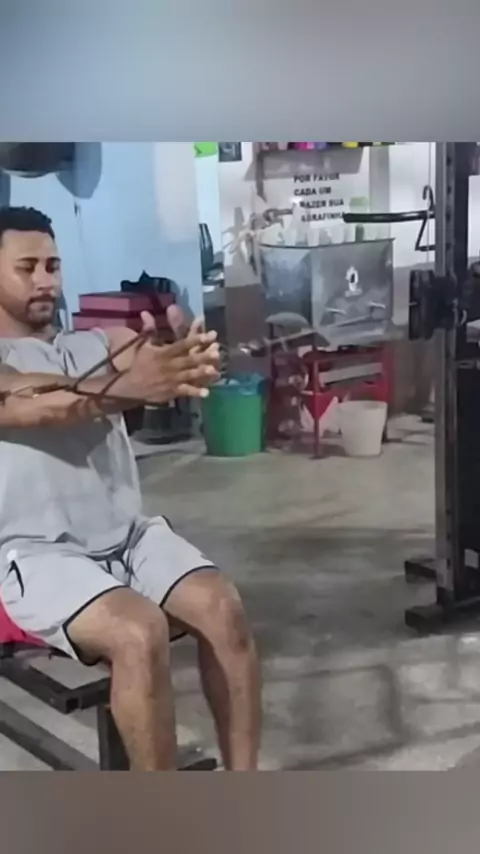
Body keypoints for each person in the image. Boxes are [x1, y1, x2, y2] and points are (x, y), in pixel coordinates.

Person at [0, 206, 261, 771]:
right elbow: (34, 404)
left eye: (52, 265)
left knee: (223, 608)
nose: (45, 279)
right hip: (36, 553)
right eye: (26, 267)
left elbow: (153, 358)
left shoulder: (100, 344)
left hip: (127, 536)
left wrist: (188, 357)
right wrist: (127, 387)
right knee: (137, 632)